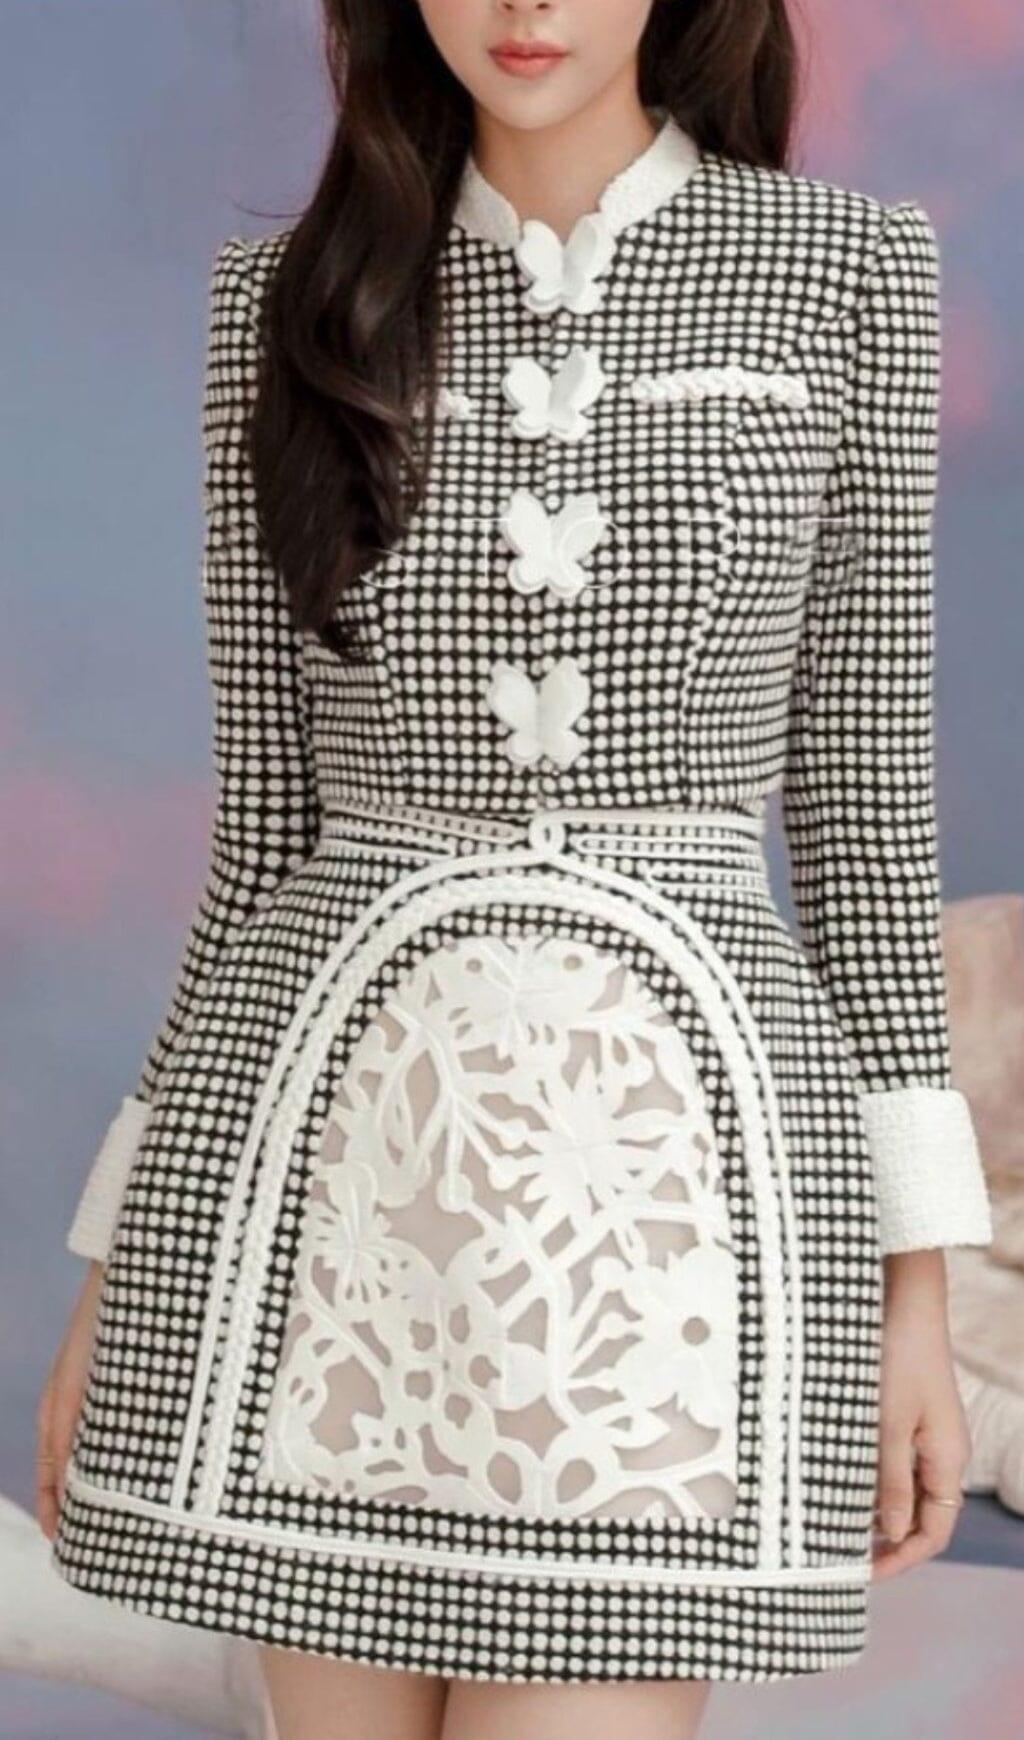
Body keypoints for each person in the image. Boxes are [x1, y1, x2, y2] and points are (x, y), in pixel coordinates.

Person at [37, 3, 995, 1737]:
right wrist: (122, 1270)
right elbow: (261, 852)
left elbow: (861, 814)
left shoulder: (849, 273)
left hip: (674, 1202)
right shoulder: (281, 304)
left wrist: (913, 1291)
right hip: (334, 1201)